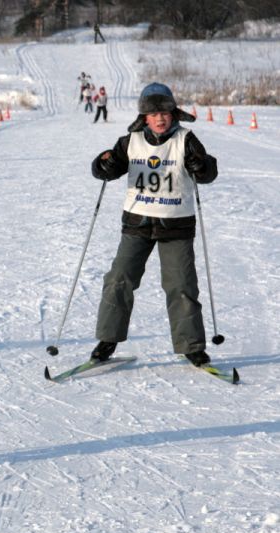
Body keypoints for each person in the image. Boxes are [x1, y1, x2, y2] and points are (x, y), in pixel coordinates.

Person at [88, 82, 218, 367]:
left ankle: (192, 347)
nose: (160, 118)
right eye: (154, 114)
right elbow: (105, 169)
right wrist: (103, 164)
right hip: (137, 224)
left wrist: (203, 166)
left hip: (176, 225)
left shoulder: (186, 140)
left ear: (173, 114)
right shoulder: (130, 141)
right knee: (118, 279)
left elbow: (209, 172)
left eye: (165, 113)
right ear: (144, 117)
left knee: (181, 285)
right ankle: (107, 340)